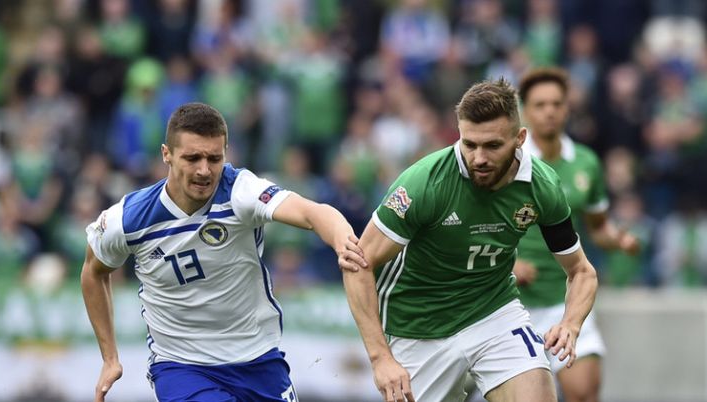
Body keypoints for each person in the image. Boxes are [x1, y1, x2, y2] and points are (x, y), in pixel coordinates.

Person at [81, 102, 367, 402]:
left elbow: (311, 212)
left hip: (258, 358)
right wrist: (110, 358)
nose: (204, 170)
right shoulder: (128, 219)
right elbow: (93, 272)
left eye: (214, 158)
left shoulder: (241, 192)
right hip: (181, 366)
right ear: (167, 154)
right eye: (192, 158)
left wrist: (342, 239)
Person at [342, 77, 599, 402]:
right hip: (418, 326)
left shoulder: (542, 186)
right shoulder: (425, 183)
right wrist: (380, 359)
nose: (478, 158)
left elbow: (581, 271)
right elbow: (358, 265)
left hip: (493, 312)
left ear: (520, 138)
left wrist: (571, 325)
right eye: (469, 144)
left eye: (492, 146)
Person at [514, 67, 639, 402]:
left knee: (584, 392)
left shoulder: (586, 163)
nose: (549, 111)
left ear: (567, 108)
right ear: (525, 111)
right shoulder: (509, 164)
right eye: (540, 105)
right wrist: (508, 265)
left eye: (556, 104)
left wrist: (618, 239)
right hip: (512, 306)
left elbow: (597, 227)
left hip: (565, 301)